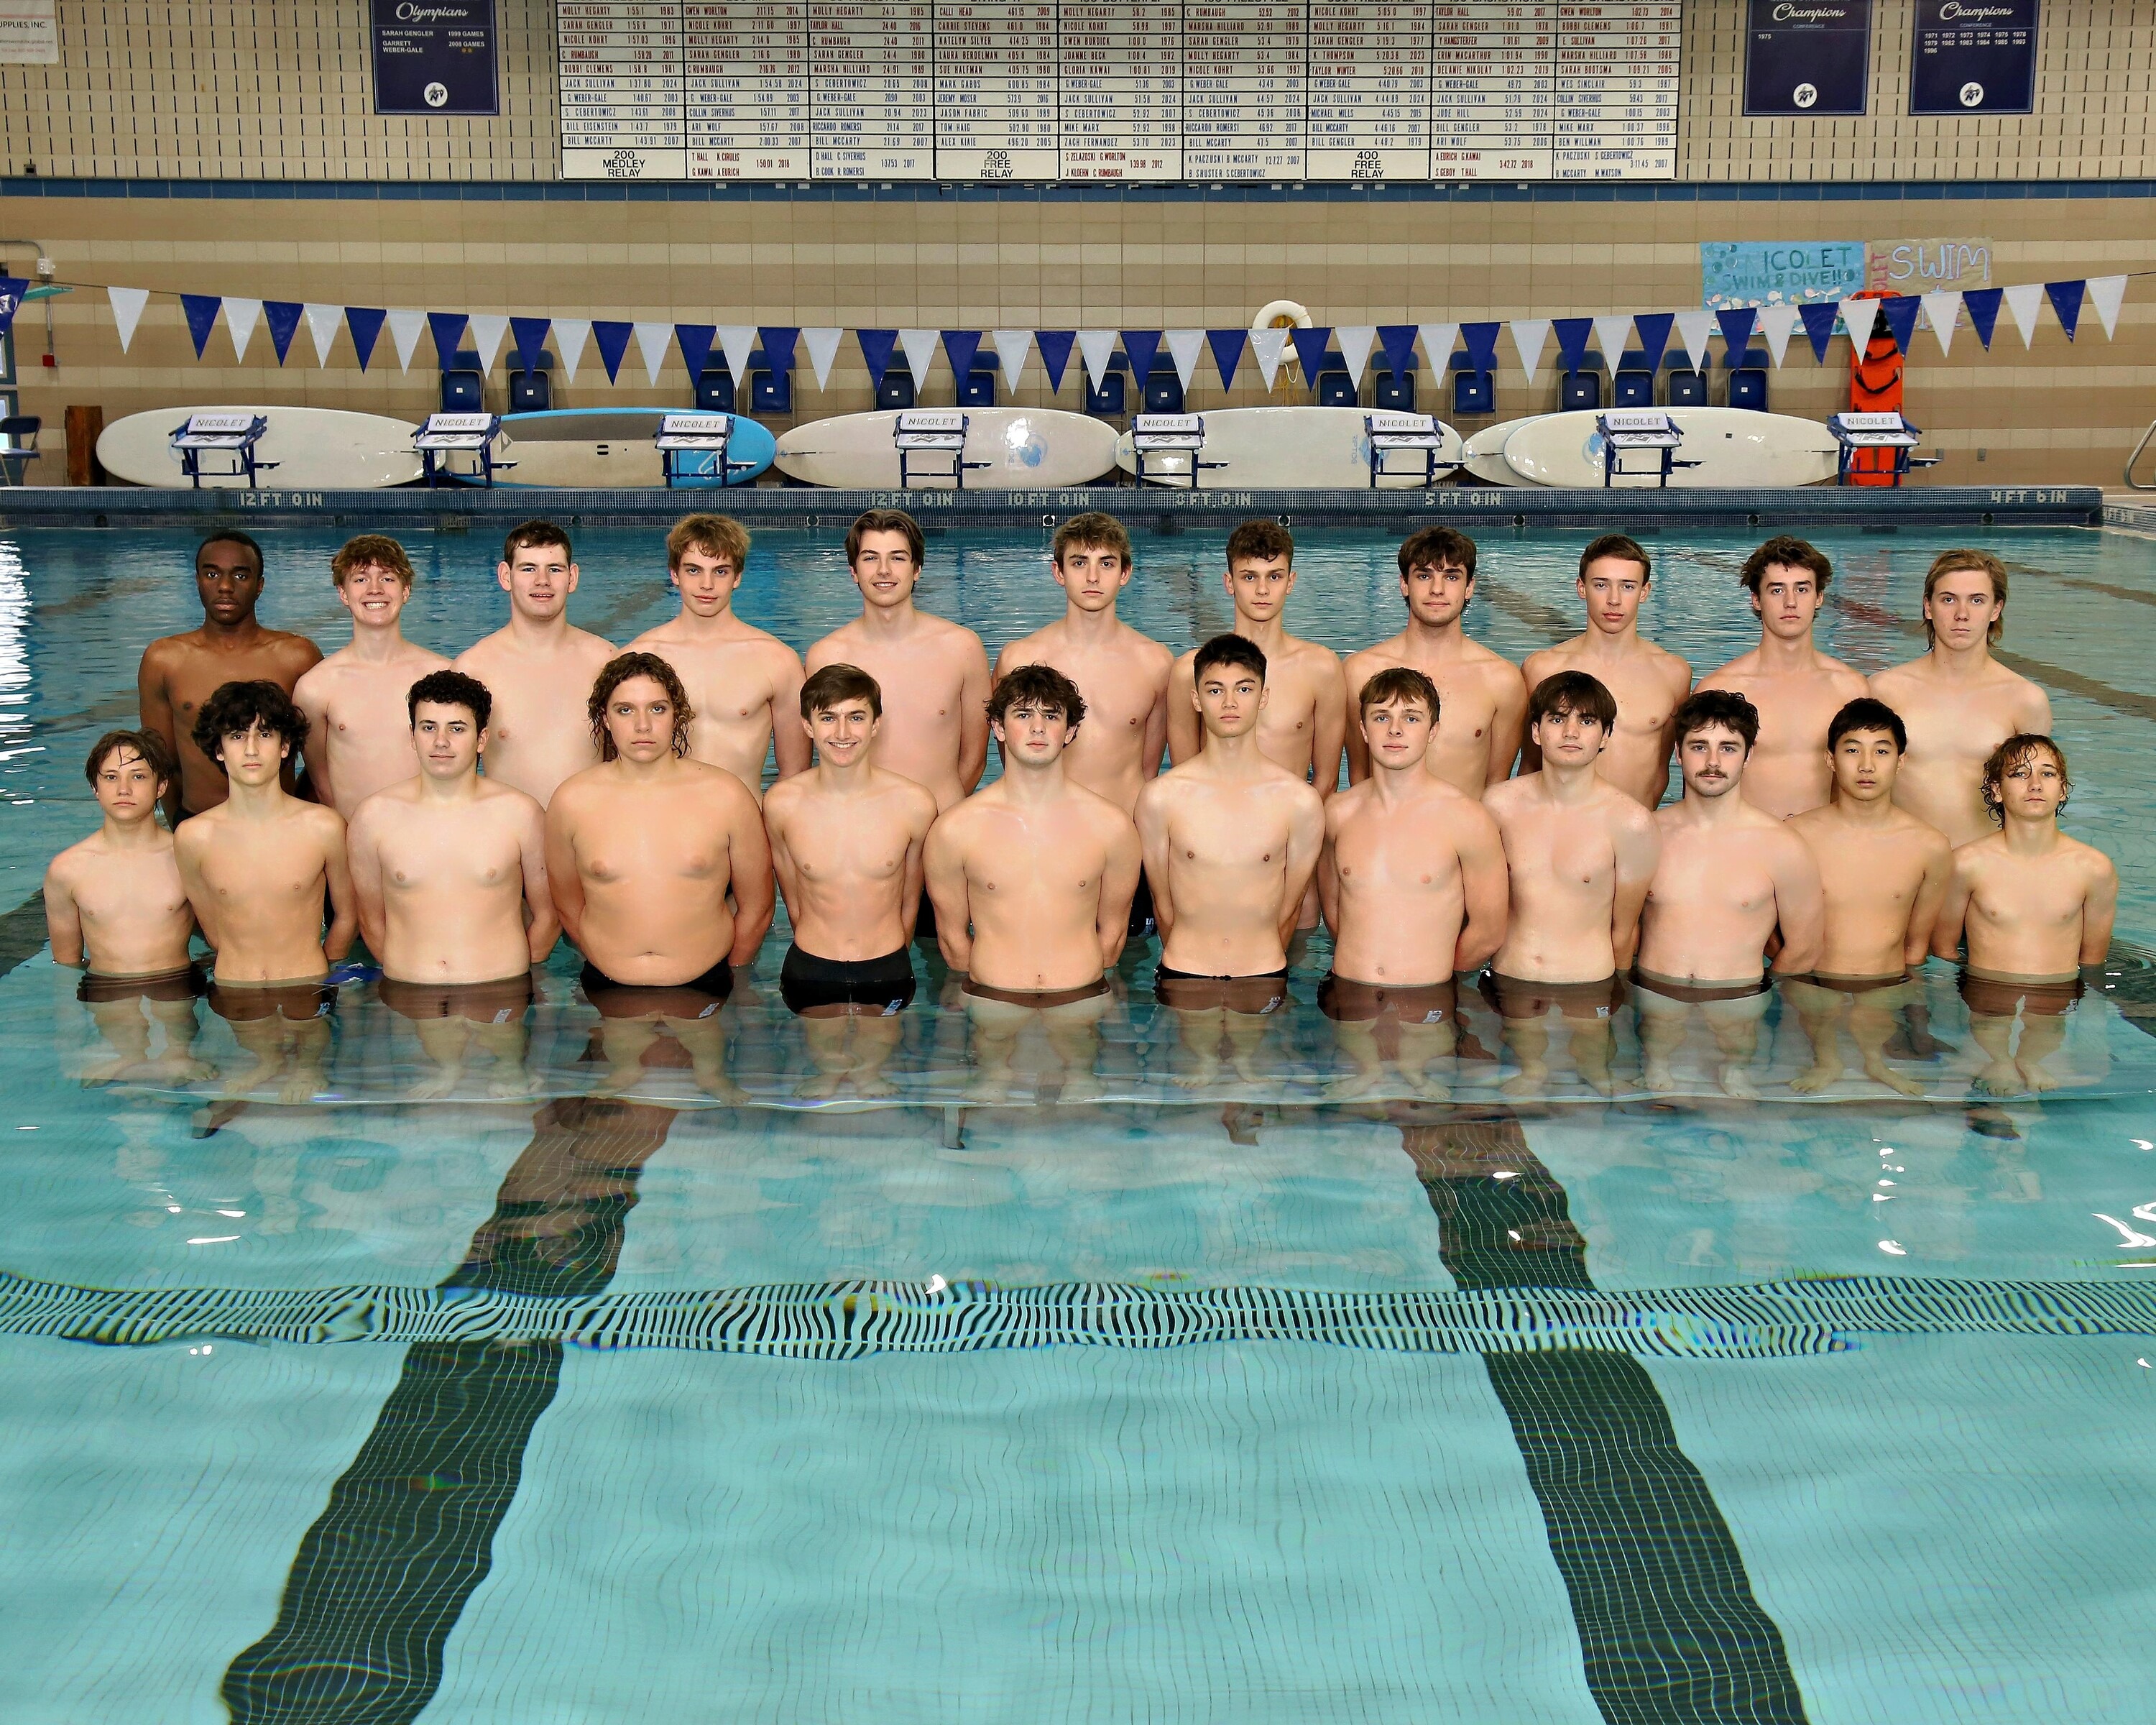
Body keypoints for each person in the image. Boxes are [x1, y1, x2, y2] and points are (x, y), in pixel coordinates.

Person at [545, 653, 774, 1101]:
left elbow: (758, 905)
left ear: (678, 716)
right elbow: (567, 904)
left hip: (705, 980)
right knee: (617, 1085)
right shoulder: (572, 800)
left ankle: (713, 1072)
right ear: (604, 720)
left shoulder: (725, 795)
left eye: (658, 708)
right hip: (610, 984)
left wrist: (733, 975)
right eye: (625, 710)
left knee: (713, 1083)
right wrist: (607, 957)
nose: (643, 725)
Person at [923, 665, 1142, 1103]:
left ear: (1071, 731)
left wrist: (1078, 985)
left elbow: (1114, 934)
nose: (1038, 727)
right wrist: (990, 989)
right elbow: (950, 939)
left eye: (1052, 715)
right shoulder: (956, 829)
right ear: (998, 728)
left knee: (1088, 1110)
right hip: (992, 1001)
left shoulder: (1111, 827)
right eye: (1023, 715)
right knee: (989, 1103)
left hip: (1081, 998)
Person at [344, 670, 558, 1099]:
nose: (441, 742)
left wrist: (511, 974)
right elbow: (370, 918)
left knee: (510, 1092)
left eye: (456, 729)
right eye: (429, 728)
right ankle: (447, 1067)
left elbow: (549, 914)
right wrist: (408, 970)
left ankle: (509, 1065)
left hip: (501, 988)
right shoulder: (373, 817)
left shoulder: (519, 813)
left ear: (481, 739)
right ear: (412, 737)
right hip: (413, 992)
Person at [1139, 635, 1325, 1086]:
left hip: (1262, 970)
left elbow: (1291, 904)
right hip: (1186, 970)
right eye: (1215, 688)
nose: (1229, 701)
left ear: (1263, 698)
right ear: (1195, 699)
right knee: (1189, 1103)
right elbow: (1163, 905)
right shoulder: (1162, 798)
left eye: (1243, 688)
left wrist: (1261, 956)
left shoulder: (1298, 802)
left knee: (1256, 1089)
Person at [1318, 668, 1508, 1100]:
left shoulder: (1466, 818)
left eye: (1412, 717)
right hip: (1350, 994)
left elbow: (1490, 927)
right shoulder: (1338, 814)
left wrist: (1432, 969)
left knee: (1427, 1107)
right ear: (1363, 729)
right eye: (1381, 717)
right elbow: (1335, 908)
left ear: (1434, 729)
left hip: (1429, 1001)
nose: (1396, 729)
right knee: (1351, 1111)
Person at [174, 681, 357, 1103]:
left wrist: (321, 973)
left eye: (265, 734)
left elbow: (346, 916)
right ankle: (267, 1062)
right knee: (255, 1054)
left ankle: (308, 1065)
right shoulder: (194, 837)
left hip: (306, 981)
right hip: (235, 984)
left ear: (285, 746)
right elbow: (211, 925)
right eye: (237, 736)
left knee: (309, 1082)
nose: (251, 749)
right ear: (219, 749)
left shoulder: (323, 826)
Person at [1634, 690, 1825, 1097]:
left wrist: (1756, 1000)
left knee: (1736, 1109)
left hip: (1739, 1008)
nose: (1713, 763)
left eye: (1729, 748)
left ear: (1748, 755)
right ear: (1678, 754)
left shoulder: (1781, 845)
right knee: (1652, 1107)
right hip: (1654, 1000)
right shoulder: (1647, 834)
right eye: (1699, 747)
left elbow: (1805, 948)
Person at [763, 664, 939, 1098]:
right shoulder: (783, 803)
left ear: (876, 724)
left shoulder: (913, 803)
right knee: (824, 1080)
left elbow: (910, 894)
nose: (842, 731)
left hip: (886, 966)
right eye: (828, 718)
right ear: (807, 726)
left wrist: (894, 951)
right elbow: (791, 892)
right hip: (811, 964)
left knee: (874, 1083)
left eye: (856, 717)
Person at [1481, 671, 1661, 1095]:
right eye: (1558, 718)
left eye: (1586, 721)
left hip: (1589, 986)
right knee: (1526, 1083)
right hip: (1513, 979)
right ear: (1536, 732)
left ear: (1605, 735)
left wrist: (1611, 996)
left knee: (1597, 1087)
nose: (1571, 732)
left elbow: (1625, 927)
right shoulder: (1499, 805)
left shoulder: (1630, 822)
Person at [992, 511, 1173, 928]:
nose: (1093, 577)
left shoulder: (1155, 663)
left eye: (1106, 564)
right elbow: (1014, 761)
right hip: (1045, 840)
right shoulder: (1019, 659)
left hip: (1125, 844)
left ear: (1125, 573)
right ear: (1058, 572)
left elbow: (1150, 767)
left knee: (1125, 968)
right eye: (1079, 563)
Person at [1166, 520, 1344, 928]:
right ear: (1229, 583)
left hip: (1287, 852)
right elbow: (1182, 779)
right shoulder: (1187, 673)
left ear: (1291, 581)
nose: (1262, 590)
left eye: (1274, 576)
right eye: (1249, 577)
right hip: (1212, 853)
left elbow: (1327, 781)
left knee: (1294, 970)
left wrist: (1288, 844)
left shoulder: (1322, 670)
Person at [1785, 699, 1954, 1096]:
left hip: (1885, 983)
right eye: (1852, 750)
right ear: (1830, 760)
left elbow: (1917, 945)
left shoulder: (1930, 846)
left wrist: (1911, 1007)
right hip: (1812, 985)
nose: (1866, 765)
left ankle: (1875, 1060)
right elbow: (1779, 933)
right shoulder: (1797, 836)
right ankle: (1826, 1058)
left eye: (1881, 751)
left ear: (1901, 761)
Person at [1932, 734, 2116, 1095]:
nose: (2035, 785)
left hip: (2056, 991)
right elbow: (1944, 949)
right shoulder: (1968, 863)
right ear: (1996, 790)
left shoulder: (2093, 869)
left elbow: (2092, 963)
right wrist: (1943, 1014)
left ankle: (2028, 1060)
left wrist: (2096, 1033)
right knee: (1987, 1039)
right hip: (1986, 991)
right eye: (2019, 774)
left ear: (2062, 790)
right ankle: (2000, 1059)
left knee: (2050, 1036)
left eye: (2048, 775)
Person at [44, 730, 206, 1083]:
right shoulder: (67, 869)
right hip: (106, 987)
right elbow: (67, 966)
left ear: (161, 786)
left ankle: (178, 1052)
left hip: (176, 983)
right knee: (127, 1080)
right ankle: (127, 1056)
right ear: (95, 787)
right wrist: (68, 1037)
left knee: (178, 1066)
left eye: (138, 777)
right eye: (111, 778)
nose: (124, 790)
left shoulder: (185, 856)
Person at [1869, 548, 2053, 848]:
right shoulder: (1885, 691)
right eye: (1949, 599)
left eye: (1977, 600)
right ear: (1928, 607)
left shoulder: (2025, 700)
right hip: (1904, 864)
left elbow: (2037, 803)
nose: (1962, 614)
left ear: (1996, 609)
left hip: (1984, 872)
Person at [138, 531, 321, 824]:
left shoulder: (297, 657)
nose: (224, 587)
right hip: (197, 820)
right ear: (197, 581)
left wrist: (297, 809)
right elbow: (161, 761)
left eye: (240, 576)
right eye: (212, 574)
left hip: (281, 824)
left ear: (259, 585)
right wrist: (180, 826)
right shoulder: (164, 660)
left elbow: (320, 759)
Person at [626, 512, 808, 797]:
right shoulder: (639, 657)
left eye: (720, 571)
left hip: (746, 826)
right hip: (665, 824)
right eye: (694, 570)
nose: (707, 585)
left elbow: (795, 774)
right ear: (674, 574)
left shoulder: (777, 660)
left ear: (737, 577)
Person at [1341, 526, 1526, 796]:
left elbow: (1497, 788)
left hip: (1464, 834)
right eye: (1424, 575)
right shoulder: (1359, 672)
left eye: (1451, 577)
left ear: (1470, 587)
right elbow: (1358, 778)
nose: (1437, 589)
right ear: (1404, 584)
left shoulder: (1502, 681)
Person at [1692, 535, 1869, 819]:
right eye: (1776, 590)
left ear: (1819, 597)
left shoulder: (1849, 688)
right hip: (1749, 848)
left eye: (1802, 589)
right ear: (1756, 600)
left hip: (1821, 847)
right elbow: (1700, 793)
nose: (1790, 602)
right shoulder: (1720, 689)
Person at [453, 520, 617, 808]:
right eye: (529, 568)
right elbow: (450, 775)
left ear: (572, 577)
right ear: (506, 576)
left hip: (588, 835)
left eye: (554, 569)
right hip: (509, 839)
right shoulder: (473, 669)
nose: (542, 580)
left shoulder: (605, 661)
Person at [1521, 533, 1692, 807]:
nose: (1614, 600)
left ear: (1644, 592)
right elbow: (1530, 766)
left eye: (1627, 586)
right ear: (1582, 588)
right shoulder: (1543, 668)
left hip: (1636, 832)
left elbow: (1665, 770)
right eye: (1601, 585)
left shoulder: (1673, 673)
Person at [292, 535, 450, 818]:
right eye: (361, 579)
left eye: (388, 579)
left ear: (406, 591)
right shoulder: (316, 688)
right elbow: (323, 785)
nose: (375, 590)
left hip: (429, 837)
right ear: (343, 593)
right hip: (354, 841)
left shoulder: (443, 676)